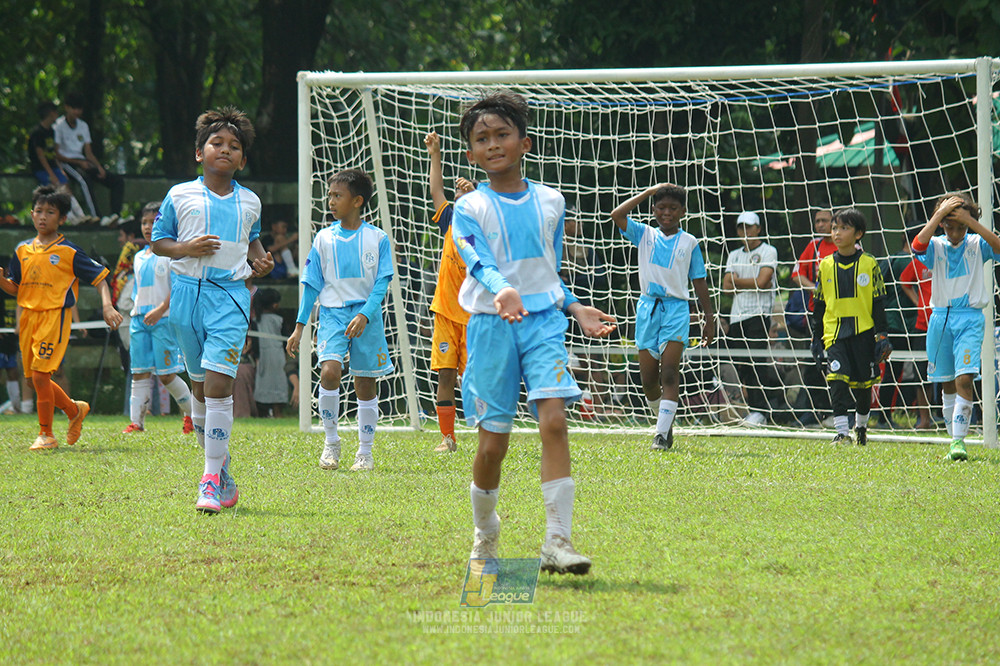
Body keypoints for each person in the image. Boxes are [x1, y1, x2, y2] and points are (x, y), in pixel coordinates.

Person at [452, 92, 616, 575]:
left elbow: (548, 269)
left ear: (524, 143)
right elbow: (476, 258)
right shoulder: (469, 206)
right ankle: (485, 533)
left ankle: (557, 541)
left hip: (544, 322)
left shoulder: (552, 201)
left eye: (502, 134)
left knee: (555, 422)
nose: (493, 144)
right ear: (471, 154)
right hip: (491, 325)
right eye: (482, 138)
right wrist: (502, 291)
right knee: (492, 446)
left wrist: (574, 306)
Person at [151, 107, 274, 514]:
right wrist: (186, 248)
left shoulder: (250, 201)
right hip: (186, 298)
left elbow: (252, 241)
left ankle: (208, 480)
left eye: (234, 146)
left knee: (220, 384)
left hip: (231, 298)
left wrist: (261, 260)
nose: (225, 149)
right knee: (201, 390)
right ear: (198, 153)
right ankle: (221, 470)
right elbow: (159, 243)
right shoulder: (179, 195)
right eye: (216, 143)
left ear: (242, 159)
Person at [285, 169, 394, 472]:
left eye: (337, 195)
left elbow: (382, 283)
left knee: (365, 383)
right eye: (329, 195)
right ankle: (331, 442)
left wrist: (364, 314)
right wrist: (299, 327)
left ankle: (365, 452)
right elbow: (311, 284)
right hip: (332, 314)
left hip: (366, 317)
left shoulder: (377, 238)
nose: (330, 201)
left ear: (357, 201)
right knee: (329, 371)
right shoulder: (323, 238)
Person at [0, 185, 123, 450]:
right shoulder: (22, 250)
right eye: (39, 211)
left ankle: (46, 434)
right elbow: (16, 287)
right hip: (28, 318)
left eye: (50, 212)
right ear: (32, 214)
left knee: (40, 376)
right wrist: (2, 282)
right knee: (33, 380)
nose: (43, 216)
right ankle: (74, 410)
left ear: (62, 218)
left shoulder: (69, 251)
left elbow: (100, 278)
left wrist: (107, 306)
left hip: (54, 317)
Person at [610, 183, 716, 451]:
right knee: (648, 381)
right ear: (654, 209)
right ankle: (665, 424)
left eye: (673, 208)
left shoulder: (690, 242)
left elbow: (699, 280)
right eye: (661, 207)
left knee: (669, 373)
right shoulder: (644, 234)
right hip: (648, 310)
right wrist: (648, 192)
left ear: (683, 212)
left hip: (676, 310)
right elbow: (617, 214)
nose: (666, 212)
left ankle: (660, 435)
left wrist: (709, 317)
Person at [912, 192, 1000, 461]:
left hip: (969, 318)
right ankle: (954, 439)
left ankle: (959, 441)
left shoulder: (977, 242)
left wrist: (970, 221)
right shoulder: (936, 245)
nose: (955, 233)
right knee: (947, 381)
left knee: (965, 378)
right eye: (950, 226)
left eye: (960, 227)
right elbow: (917, 246)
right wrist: (939, 214)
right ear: (942, 224)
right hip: (940, 319)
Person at [810, 208, 892, 446]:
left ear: (858, 234)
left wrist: (882, 335)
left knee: (863, 386)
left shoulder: (869, 263)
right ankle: (841, 432)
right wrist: (816, 337)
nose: (837, 233)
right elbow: (819, 304)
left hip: (863, 333)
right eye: (834, 228)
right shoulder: (825, 265)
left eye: (844, 228)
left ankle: (861, 427)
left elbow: (878, 302)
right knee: (836, 378)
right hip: (834, 333)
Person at [423, 130, 475, 452]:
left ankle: (488, 432)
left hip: (474, 316)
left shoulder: (484, 227)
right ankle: (447, 437)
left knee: (475, 379)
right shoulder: (450, 221)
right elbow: (436, 190)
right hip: (445, 311)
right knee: (445, 374)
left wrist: (476, 192)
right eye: (459, 195)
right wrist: (435, 155)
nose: (460, 196)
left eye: (467, 195)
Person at [122, 201, 194, 434]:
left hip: (163, 320)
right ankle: (137, 423)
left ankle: (192, 416)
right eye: (144, 222)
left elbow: (178, 288)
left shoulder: (172, 255)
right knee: (139, 372)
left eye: (153, 222)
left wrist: (161, 309)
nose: (147, 227)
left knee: (166, 375)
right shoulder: (138, 257)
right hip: (140, 320)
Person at [722, 210, 789, 425]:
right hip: (736, 317)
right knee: (741, 364)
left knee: (757, 362)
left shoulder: (769, 251)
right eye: (741, 227)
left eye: (749, 226)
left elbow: (763, 282)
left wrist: (738, 281)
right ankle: (751, 409)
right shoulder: (734, 254)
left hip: (758, 314)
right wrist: (753, 282)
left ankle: (761, 411)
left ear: (758, 228)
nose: (745, 231)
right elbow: (726, 287)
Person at [789, 207, 836, 424]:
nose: (820, 225)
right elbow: (796, 274)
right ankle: (818, 410)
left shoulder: (848, 245)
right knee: (813, 364)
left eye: (824, 220)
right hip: (815, 314)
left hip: (842, 315)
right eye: (817, 221)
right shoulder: (814, 246)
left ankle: (843, 412)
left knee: (838, 363)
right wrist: (816, 289)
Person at [53, 92, 125, 223]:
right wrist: (78, 162)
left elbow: (88, 152)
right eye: (74, 108)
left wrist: (99, 167)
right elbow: (57, 154)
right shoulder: (58, 126)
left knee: (117, 181)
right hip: (67, 163)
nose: (77, 112)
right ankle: (97, 216)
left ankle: (116, 216)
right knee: (85, 181)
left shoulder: (83, 126)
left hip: (83, 162)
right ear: (67, 107)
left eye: (79, 109)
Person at [28, 101, 89, 224]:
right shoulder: (38, 133)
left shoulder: (51, 131)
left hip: (53, 167)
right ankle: (71, 218)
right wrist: (51, 174)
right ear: (51, 114)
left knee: (65, 187)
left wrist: (60, 170)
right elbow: (41, 156)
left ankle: (81, 215)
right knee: (56, 191)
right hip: (41, 169)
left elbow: (53, 154)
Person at [898, 236, 934, 430]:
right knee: (921, 373)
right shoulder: (919, 260)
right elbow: (904, 281)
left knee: (951, 371)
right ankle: (924, 419)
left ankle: (953, 418)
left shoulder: (947, 257)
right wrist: (918, 301)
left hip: (948, 322)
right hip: (923, 325)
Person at [253, 287, 288, 417]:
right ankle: (277, 411)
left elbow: (255, 343)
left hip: (263, 357)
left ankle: (265, 412)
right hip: (278, 356)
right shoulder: (280, 319)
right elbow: (286, 340)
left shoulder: (256, 321)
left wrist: (256, 357)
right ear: (274, 304)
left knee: (264, 383)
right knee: (278, 383)